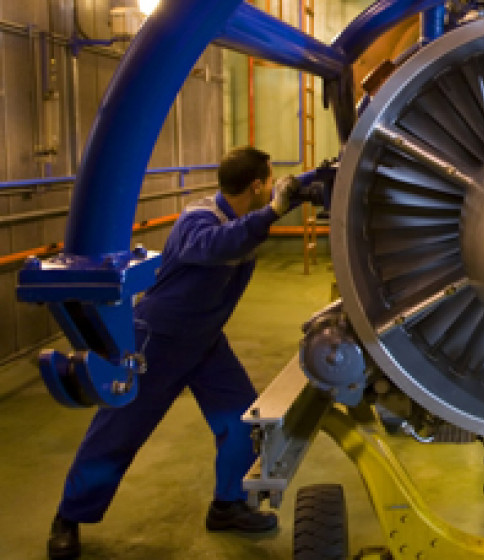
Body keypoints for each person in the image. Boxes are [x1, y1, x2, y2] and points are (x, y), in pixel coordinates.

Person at [47, 146, 302, 559]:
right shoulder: (199, 219)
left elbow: (259, 219)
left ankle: (227, 505)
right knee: (118, 432)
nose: (274, 189)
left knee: (243, 421)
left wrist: (310, 184)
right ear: (256, 187)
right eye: (271, 182)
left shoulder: (244, 216)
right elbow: (215, 247)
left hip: (205, 340)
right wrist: (274, 211)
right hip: (159, 341)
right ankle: (68, 518)